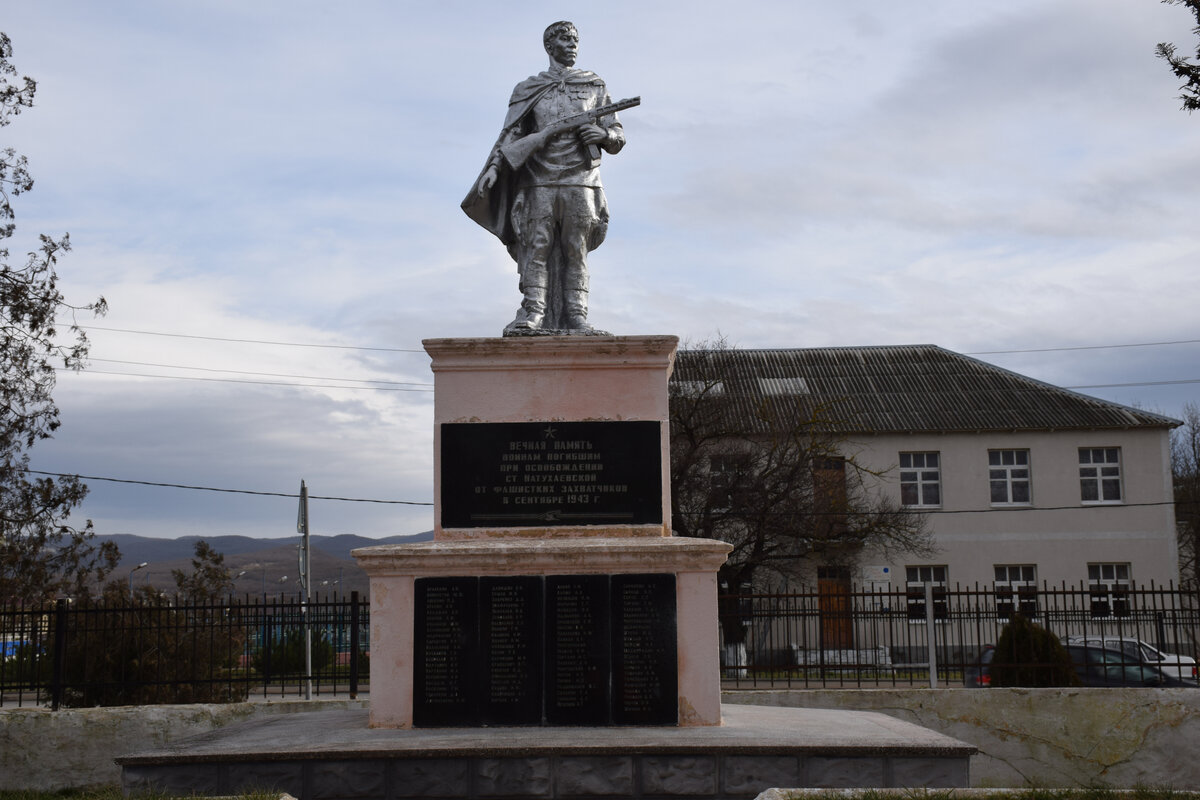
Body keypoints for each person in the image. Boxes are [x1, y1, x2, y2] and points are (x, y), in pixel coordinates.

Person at [462, 21, 626, 334]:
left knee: (575, 249)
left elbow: (617, 135)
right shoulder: (528, 88)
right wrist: (495, 168)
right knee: (535, 247)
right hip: (537, 180)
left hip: (581, 179)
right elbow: (511, 134)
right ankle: (533, 312)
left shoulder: (594, 85)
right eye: (565, 38)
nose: (573, 44)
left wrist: (603, 134)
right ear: (549, 45)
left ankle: (577, 316)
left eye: (575, 38)